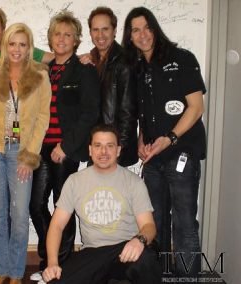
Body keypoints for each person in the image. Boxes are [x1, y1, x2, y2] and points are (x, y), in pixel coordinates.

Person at [122, 7, 207, 280]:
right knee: (155, 223)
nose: (143, 34)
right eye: (135, 30)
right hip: (154, 159)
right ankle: (159, 276)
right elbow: (144, 114)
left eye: (147, 27)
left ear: (155, 28)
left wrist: (169, 138)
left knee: (184, 225)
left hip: (182, 153)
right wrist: (140, 140)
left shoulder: (182, 58)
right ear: (130, 36)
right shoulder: (138, 70)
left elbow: (196, 108)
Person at [0, 6, 54, 275]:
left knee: (19, 217)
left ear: (29, 47)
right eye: (13, 44)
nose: (17, 49)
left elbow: (42, 119)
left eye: (23, 44)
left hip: (21, 153)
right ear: (6, 46)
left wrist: (30, 155)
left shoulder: (40, 75)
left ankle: (16, 272)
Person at [29, 11, 100, 282]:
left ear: (76, 40)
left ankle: (62, 268)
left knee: (63, 206)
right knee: (35, 205)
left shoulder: (84, 70)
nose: (62, 39)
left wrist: (66, 146)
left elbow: (89, 113)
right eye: (57, 33)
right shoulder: (42, 71)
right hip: (40, 147)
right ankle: (52, 259)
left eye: (68, 34)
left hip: (65, 150)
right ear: (50, 38)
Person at [42, 124, 161, 284]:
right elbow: (56, 226)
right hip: (92, 253)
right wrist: (52, 264)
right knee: (56, 281)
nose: (103, 152)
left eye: (109, 146)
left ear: (118, 150)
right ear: (90, 150)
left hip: (126, 250)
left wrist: (138, 241)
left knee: (147, 259)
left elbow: (149, 226)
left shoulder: (134, 182)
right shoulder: (74, 181)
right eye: (98, 146)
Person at [87, 6, 138, 167]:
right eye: (95, 30)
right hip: (98, 148)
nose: (100, 35)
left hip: (114, 151)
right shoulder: (92, 60)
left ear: (114, 31)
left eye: (105, 29)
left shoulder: (125, 62)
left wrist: (116, 151)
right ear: (90, 33)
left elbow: (128, 113)